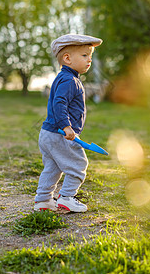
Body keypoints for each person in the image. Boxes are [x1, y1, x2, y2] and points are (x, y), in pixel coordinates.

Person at [34, 34, 103, 212]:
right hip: (60, 134)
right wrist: (66, 126)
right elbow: (59, 103)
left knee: (52, 168)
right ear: (67, 58)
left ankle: (42, 201)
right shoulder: (70, 80)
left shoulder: (63, 78)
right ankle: (66, 197)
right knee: (78, 165)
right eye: (84, 55)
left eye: (91, 56)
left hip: (48, 134)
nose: (89, 60)